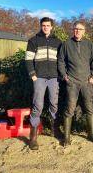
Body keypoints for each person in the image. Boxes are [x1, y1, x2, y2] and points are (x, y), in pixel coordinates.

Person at [58, 21, 93, 146]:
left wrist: (92, 76)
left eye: (80, 29)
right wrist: (65, 76)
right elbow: (60, 61)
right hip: (72, 82)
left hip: (86, 82)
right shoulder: (66, 44)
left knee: (89, 108)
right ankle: (66, 137)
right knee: (70, 108)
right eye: (76, 29)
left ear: (84, 31)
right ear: (73, 30)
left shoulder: (89, 44)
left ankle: (91, 134)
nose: (77, 31)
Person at [25, 17, 63, 150]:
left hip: (54, 78)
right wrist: (33, 75)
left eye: (48, 25)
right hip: (39, 78)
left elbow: (61, 60)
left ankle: (55, 130)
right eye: (43, 25)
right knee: (38, 105)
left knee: (54, 104)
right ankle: (33, 137)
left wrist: (59, 74)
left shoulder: (58, 42)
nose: (45, 27)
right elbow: (28, 60)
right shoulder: (33, 41)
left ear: (52, 27)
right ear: (41, 26)